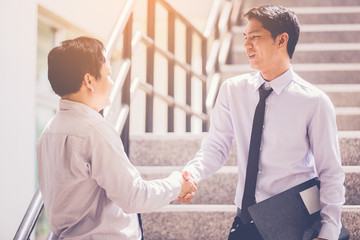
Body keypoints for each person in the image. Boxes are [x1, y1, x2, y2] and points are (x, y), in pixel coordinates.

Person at [179, 5, 345, 240]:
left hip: (295, 221)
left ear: (282, 40)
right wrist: (192, 173)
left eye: (255, 37)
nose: (246, 45)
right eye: (245, 38)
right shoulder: (232, 90)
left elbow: (330, 172)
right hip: (245, 219)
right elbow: (216, 146)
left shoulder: (315, 102)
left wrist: (329, 232)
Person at [37, 36, 197, 240]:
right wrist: (178, 184)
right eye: (108, 74)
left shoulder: (48, 131)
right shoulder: (94, 129)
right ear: (89, 81)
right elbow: (134, 197)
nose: (112, 82)